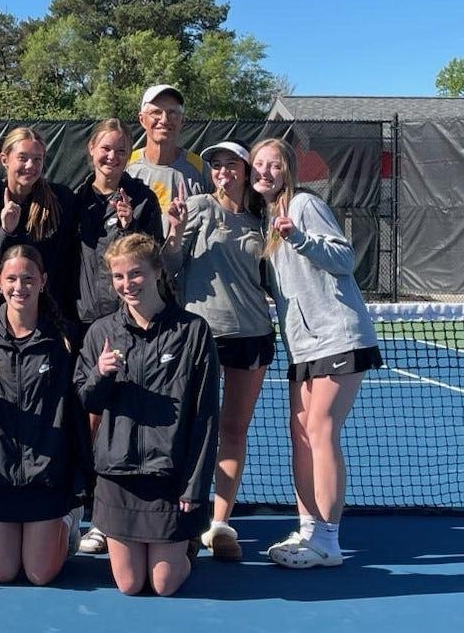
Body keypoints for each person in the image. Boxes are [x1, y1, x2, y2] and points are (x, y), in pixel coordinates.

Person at [250, 138, 382, 569]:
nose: (264, 172)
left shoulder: (303, 206)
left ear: (287, 170)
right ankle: (309, 529)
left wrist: (303, 239)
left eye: (273, 165)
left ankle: (328, 539)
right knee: (301, 432)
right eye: (258, 165)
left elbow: (344, 258)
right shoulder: (267, 220)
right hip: (302, 346)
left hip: (339, 337)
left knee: (321, 430)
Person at [75, 233, 219, 596]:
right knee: (129, 585)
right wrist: (100, 374)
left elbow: (205, 417)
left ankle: (187, 546)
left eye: (135, 274)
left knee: (164, 584)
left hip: (169, 480)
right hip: (117, 479)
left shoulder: (192, 332)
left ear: (157, 271)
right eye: (119, 277)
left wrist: (194, 485)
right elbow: (85, 399)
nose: (127, 285)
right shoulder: (100, 332)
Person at [162, 140, 273, 561]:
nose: (223, 172)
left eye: (231, 165)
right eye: (216, 166)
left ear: (246, 170)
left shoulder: (261, 218)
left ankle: (220, 523)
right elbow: (170, 265)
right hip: (200, 336)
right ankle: (183, 520)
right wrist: (174, 230)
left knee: (234, 431)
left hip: (252, 335)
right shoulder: (198, 207)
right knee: (189, 431)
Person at [0, 245, 84, 585]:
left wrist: (72, 476)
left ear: (43, 281)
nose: (19, 287)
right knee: (4, 573)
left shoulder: (64, 337)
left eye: (28, 279)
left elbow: (76, 408)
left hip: (46, 476)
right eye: (11, 279)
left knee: (39, 575)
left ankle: (68, 521)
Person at [72, 118, 163, 555]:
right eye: (105, 148)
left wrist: (129, 226)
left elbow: (152, 257)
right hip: (87, 327)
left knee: (126, 422)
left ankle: (120, 516)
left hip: (133, 327)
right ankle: (88, 511)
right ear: (91, 150)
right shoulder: (74, 200)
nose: (112, 156)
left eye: (121, 150)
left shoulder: (142, 199)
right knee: (88, 421)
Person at [0, 128, 77, 322]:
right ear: (4, 159)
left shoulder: (62, 200)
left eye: (37, 159)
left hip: (56, 315)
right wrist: (6, 231)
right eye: (23, 158)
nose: (30, 166)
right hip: (12, 314)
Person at [125, 84, 211, 215]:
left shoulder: (201, 169)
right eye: (156, 112)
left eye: (172, 113)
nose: (164, 120)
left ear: (182, 120)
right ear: (142, 119)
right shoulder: (126, 165)